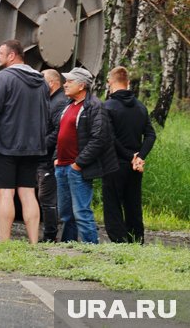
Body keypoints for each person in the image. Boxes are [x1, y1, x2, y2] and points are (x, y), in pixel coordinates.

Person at [0, 39, 48, 243]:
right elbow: (46, 113)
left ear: (12, 56)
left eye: (1, 53)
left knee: (6, 194)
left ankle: (4, 242)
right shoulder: (42, 81)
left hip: (4, 145)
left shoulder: (4, 77)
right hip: (32, 146)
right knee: (28, 194)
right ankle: (34, 243)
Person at [49, 67, 119, 244]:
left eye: (69, 81)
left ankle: (91, 250)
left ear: (81, 85)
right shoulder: (68, 105)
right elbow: (60, 133)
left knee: (81, 212)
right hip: (62, 166)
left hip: (77, 169)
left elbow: (99, 138)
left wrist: (78, 164)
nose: (65, 85)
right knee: (66, 214)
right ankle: (68, 246)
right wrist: (57, 158)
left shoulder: (94, 106)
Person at [103, 66, 156, 244]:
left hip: (114, 163)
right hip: (135, 166)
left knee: (113, 204)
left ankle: (119, 241)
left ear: (111, 82)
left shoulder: (108, 106)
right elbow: (151, 135)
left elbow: (110, 137)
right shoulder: (140, 107)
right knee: (133, 202)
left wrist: (130, 156)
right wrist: (139, 157)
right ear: (128, 83)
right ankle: (137, 239)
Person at [39, 69, 68, 242]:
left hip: (50, 157)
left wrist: (41, 144)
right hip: (46, 156)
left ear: (52, 83)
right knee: (45, 196)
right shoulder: (51, 100)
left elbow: (59, 131)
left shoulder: (59, 102)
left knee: (47, 197)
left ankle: (50, 236)